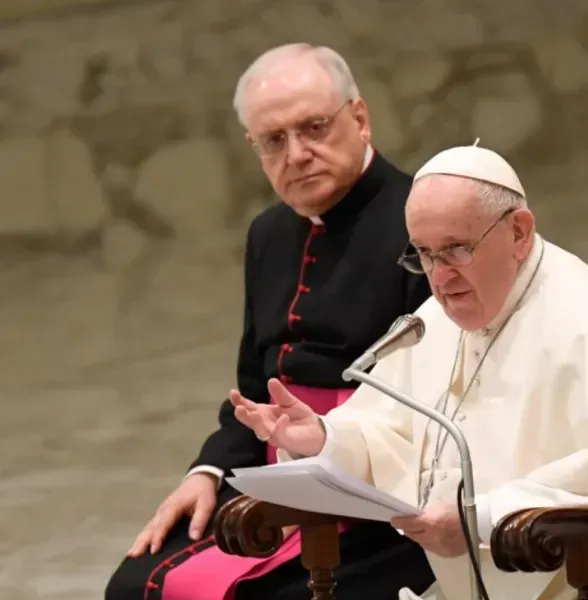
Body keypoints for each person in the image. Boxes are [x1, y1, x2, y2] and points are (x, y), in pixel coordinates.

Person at [230, 144, 588, 599]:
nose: (439, 278)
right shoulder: (437, 318)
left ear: (519, 233)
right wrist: (326, 436)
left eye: (457, 250)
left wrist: (478, 518)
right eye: (423, 255)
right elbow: (396, 435)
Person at [105, 44, 437, 600]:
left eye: (314, 128)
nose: (298, 153)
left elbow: (440, 403)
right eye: (274, 140)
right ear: (253, 148)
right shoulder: (269, 235)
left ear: (359, 118)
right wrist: (207, 472)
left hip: (384, 501)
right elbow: (256, 389)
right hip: (278, 487)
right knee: (133, 586)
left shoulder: (422, 219)